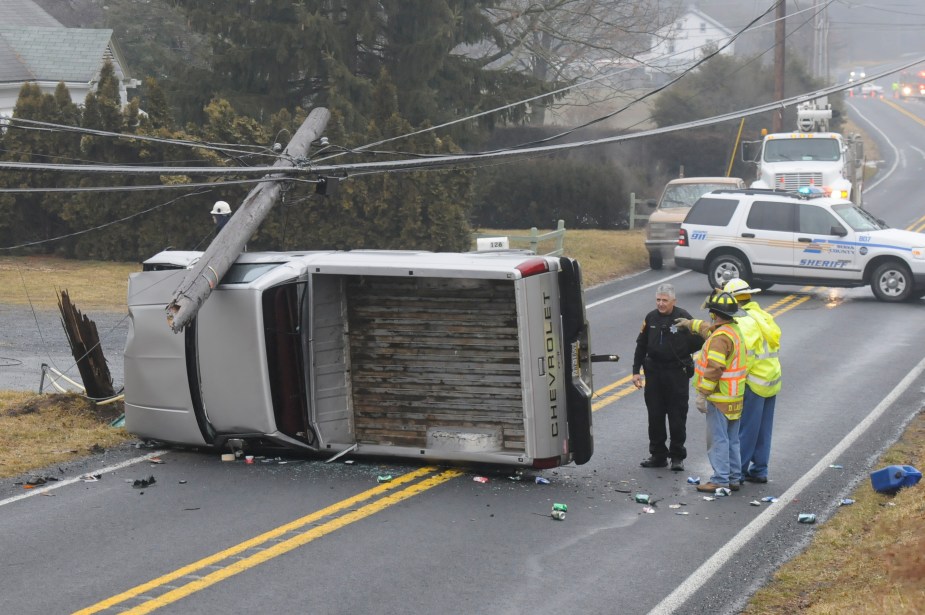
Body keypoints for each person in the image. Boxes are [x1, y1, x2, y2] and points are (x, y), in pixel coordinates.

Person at [632, 283, 704, 472]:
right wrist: (635, 371)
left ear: (674, 301)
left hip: (676, 373)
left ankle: (677, 456)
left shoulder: (683, 317)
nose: (661, 304)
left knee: (677, 416)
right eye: (658, 300)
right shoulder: (651, 317)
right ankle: (658, 455)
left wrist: (683, 352)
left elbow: (700, 339)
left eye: (665, 300)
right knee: (655, 415)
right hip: (654, 373)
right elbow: (641, 345)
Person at [687, 290, 748, 493]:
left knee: (718, 440)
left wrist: (702, 393)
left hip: (719, 397)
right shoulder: (733, 331)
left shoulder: (720, 338)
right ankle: (733, 477)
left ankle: (720, 479)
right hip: (735, 396)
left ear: (714, 313)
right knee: (732, 439)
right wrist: (690, 324)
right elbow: (708, 330)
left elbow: (714, 368)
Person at [722, 278, 781, 485]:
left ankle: (737, 472)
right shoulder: (762, 315)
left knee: (746, 429)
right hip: (771, 378)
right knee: (763, 429)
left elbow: (744, 356)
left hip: (754, 382)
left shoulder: (743, 322)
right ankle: (759, 470)